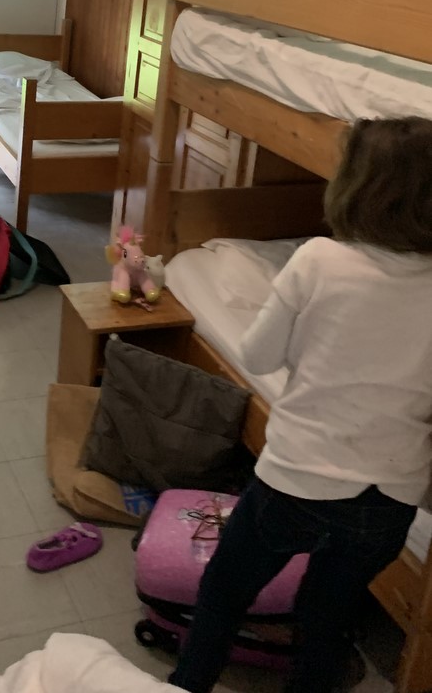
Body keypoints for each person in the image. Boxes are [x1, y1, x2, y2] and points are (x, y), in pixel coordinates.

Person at [168, 116, 432, 693]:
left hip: (299, 478)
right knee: (326, 616)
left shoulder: (318, 260)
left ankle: (189, 684)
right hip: (391, 494)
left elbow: (259, 355)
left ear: (356, 185)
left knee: (225, 592)